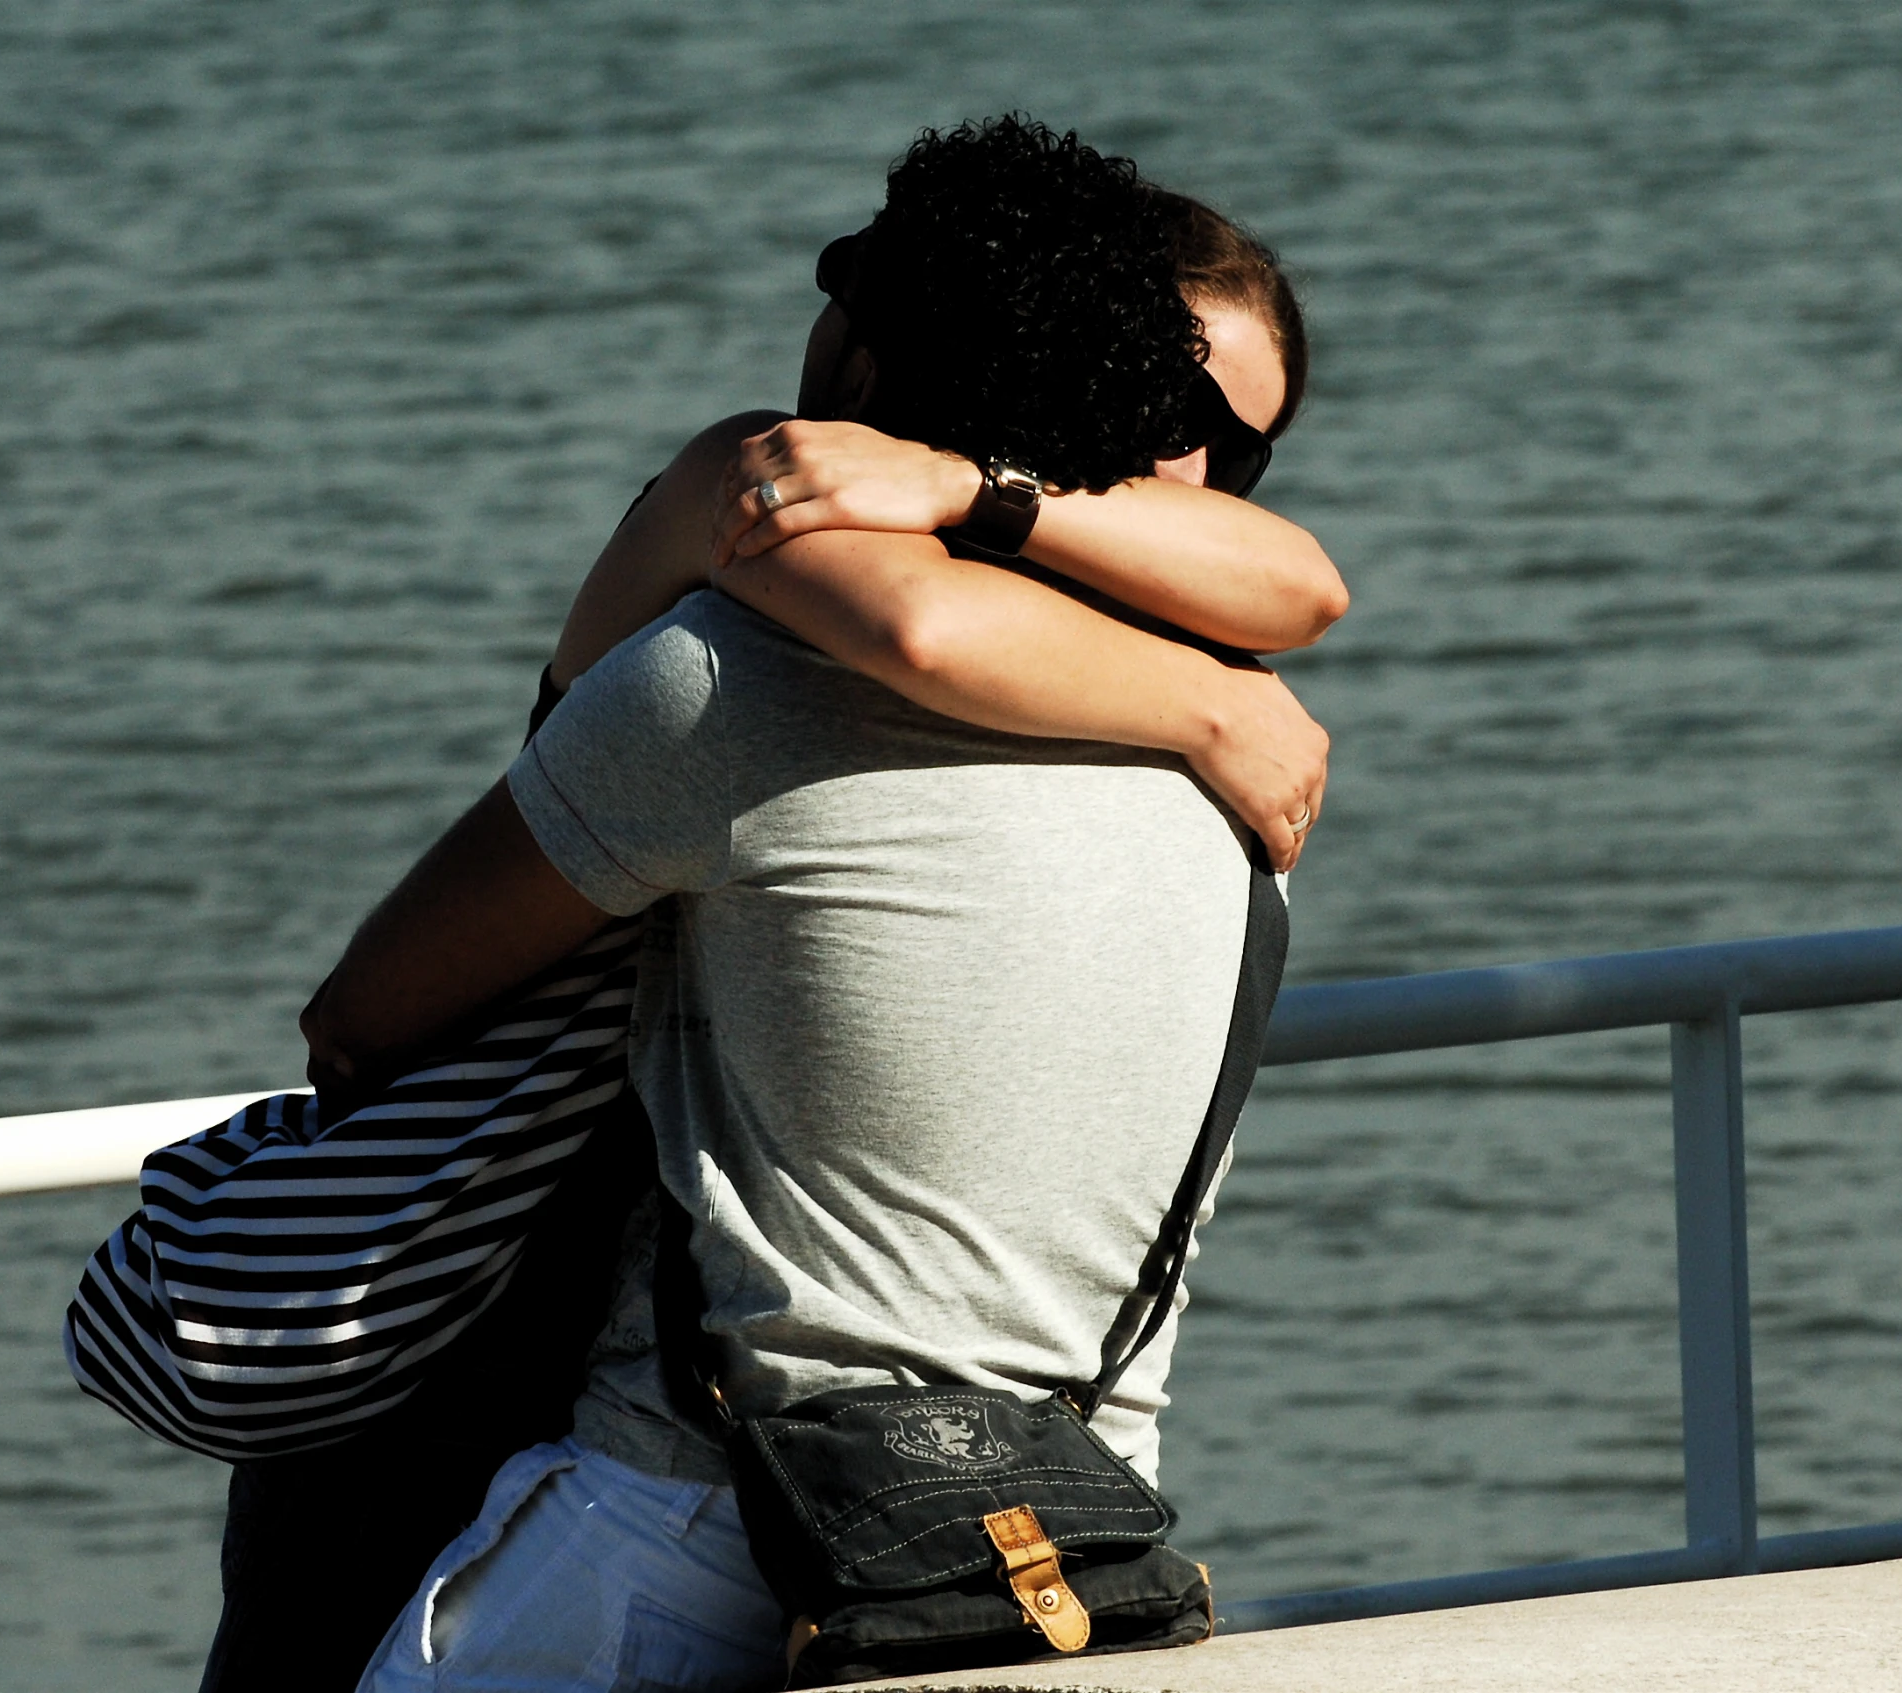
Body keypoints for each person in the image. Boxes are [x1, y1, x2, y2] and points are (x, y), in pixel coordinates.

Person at [297, 117, 1336, 1692]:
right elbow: (1251, 591)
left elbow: (365, 1021)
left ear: (854, 364)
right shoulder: (1235, 727)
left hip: (695, 1520)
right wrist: (1195, 703)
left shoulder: (730, 679)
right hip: (1062, 1529)